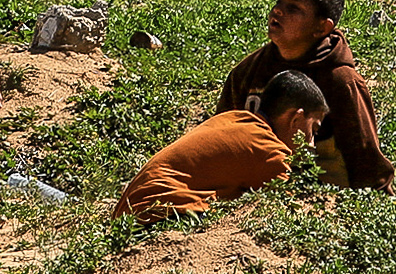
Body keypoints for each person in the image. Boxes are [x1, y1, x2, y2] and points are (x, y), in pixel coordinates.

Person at [216, 0, 393, 190]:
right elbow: (220, 134)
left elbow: (366, 163)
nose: (277, 11)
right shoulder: (248, 71)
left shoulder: (340, 81)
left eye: (294, 8)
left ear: (322, 28)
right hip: (254, 191)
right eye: (279, 2)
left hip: (320, 197)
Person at [114, 70, 328, 222]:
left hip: (126, 217)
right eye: (314, 129)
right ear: (296, 119)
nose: (311, 143)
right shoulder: (268, 148)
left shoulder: (234, 119)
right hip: (162, 215)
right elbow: (288, 207)